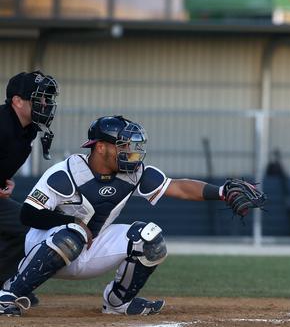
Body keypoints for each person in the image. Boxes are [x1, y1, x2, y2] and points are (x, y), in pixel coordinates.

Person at [0, 116, 266, 316]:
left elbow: (179, 186)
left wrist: (221, 191)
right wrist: (72, 223)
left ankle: (118, 302)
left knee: (150, 238)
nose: (132, 152)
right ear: (101, 147)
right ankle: (10, 294)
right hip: (47, 245)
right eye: (124, 146)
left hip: (92, 249)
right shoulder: (65, 172)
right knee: (74, 233)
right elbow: (28, 214)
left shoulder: (134, 172)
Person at [0, 71, 58, 307]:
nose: (45, 104)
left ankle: (4, 285)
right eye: (39, 98)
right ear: (17, 101)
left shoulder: (29, 129)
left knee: (28, 226)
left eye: (46, 99)